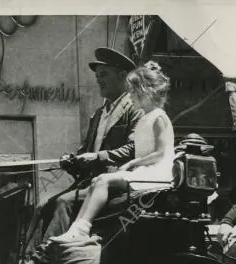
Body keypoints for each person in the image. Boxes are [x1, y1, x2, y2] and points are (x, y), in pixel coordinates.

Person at [28, 48, 143, 251]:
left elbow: (135, 148)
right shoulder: (98, 114)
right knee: (41, 206)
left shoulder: (135, 109)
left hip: (114, 185)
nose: (99, 80)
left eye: (104, 74)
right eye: (97, 76)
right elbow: (85, 152)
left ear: (123, 76)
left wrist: (98, 157)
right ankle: (28, 257)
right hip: (89, 183)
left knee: (63, 202)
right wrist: (72, 160)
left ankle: (50, 256)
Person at [50, 61, 174, 242]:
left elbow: (162, 153)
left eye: (132, 92)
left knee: (101, 181)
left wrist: (133, 163)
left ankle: (82, 228)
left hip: (156, 172)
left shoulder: (159, 117)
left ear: (144, 92)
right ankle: (76, 228)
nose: (130, 97)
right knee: (96, 181)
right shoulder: (144, 118)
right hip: (143, 169)